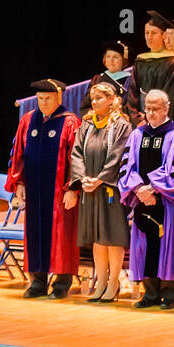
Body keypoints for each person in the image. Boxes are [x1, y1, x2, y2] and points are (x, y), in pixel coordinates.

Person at [5, 79, 81, 299]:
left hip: (59, 193)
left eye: (48, 99)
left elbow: (75, 160)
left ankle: (61, 283)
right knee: (36, 233)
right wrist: (19, 182)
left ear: (59, 97)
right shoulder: (28, 120)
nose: (44, 103)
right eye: (40, 99)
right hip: (35, 191)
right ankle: (37, 282)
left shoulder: (70, 122)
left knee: (62, 235)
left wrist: (71, 189)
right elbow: (18, 154)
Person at [119, 89, 174, 310]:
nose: (150, 113)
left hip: (168, 202)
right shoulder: (137, 134)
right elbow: (126, 167)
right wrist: (139, 189)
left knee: (168, 246)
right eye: (147, 108)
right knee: (144, 246)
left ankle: (169, 294)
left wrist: (154, 188)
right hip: (143, 200)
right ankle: (149, 293)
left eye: (155, 108)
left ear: (166, 108)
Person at [68, 76, 132, 303]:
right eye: (92, 98)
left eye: (99, 98)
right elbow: (76, 153)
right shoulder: (87, 123)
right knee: (97, 237)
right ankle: (100, 281)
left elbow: (118, 155)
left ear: (112, 99)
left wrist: (101, 179)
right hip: (90, 188)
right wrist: (82, 178)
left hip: (109, 188)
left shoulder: (121, 124)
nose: (94, 102)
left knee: (111, 236)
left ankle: (114, 282)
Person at [125, 11, 174, 125]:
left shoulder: (172, 62)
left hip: (162, 121)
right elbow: (132, 95)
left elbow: (170, 96)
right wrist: (137, 119)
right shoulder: (140, 60)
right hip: (140, 123)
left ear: (164, 35)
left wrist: (150, 118)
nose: (149, 37)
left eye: (154, 33)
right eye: (146, 33)